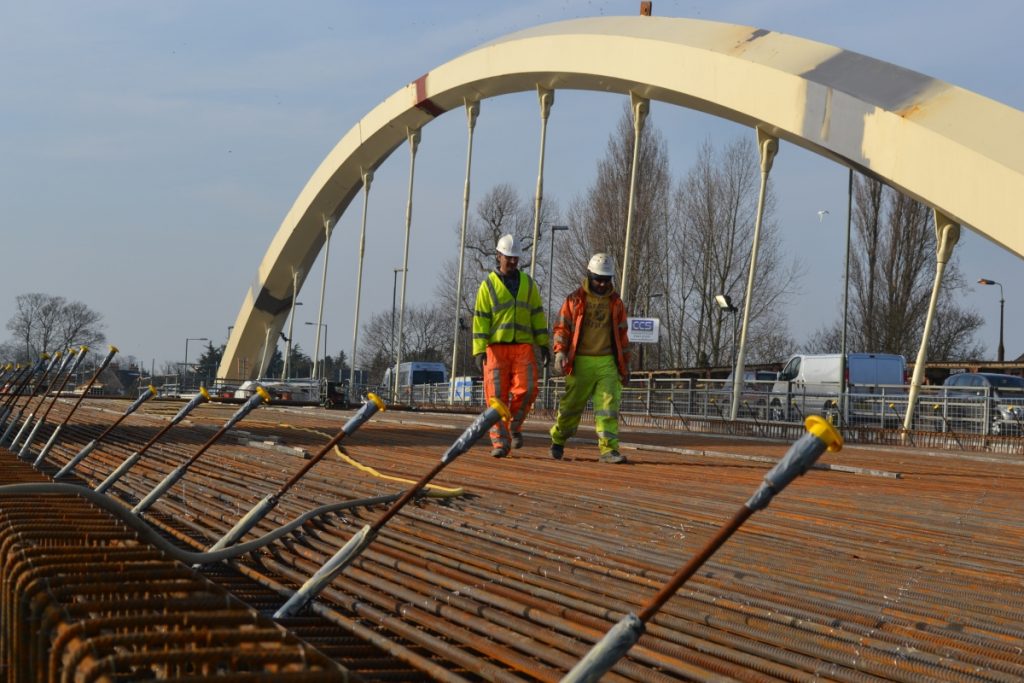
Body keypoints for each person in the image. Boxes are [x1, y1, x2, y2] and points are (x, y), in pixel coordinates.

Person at [472, 234, 551, 457]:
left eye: (516, 257)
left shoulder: (528, 284)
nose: (513, 261)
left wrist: (543, 345)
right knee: (495, 397)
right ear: (499, 256)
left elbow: (537, 315)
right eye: (509, 257)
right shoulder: (487, 286)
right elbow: (480, 319)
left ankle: (514, 427)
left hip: (523, 348)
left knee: (527, 390)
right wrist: (479, 351)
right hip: (495, 349)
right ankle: (500, 443)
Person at [549, 253, 631, 464]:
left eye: (606, 280)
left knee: (608, 408)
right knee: (571, 407)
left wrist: (625, 366)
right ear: (589, 275)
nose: (602, 284)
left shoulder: (616, 304)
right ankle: (558, 438)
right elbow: (562, 328)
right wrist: (560, 351)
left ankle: (608, 449)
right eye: (598, 279)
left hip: (607, 362)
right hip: (581, 362)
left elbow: (622, 336)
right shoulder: (574, 300)